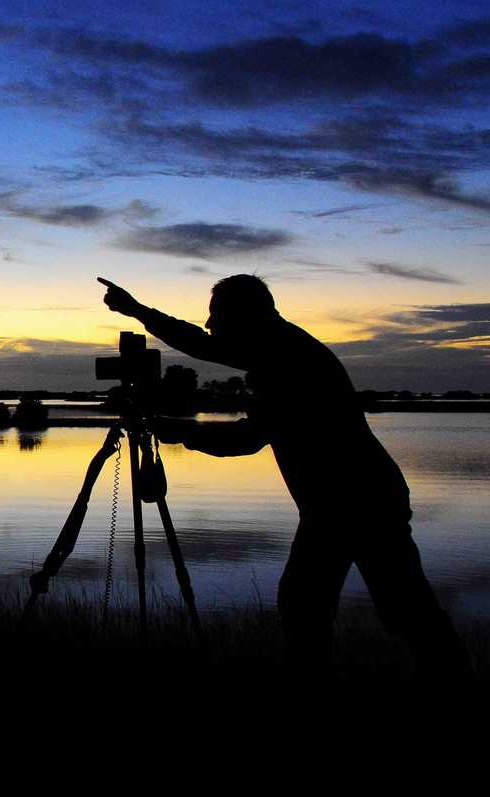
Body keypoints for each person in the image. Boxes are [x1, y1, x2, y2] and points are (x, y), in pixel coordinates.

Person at [99, 274, 469, 676]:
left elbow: (250, 438)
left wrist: (181, 431)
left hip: (359, 503)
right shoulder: (273, 347)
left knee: (396, 610)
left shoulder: (288, 359)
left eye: (216, 315)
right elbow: (202, 344)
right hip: (339, 505)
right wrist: (136, 310)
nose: (209, 324)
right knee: (312, 607)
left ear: (243, 316)